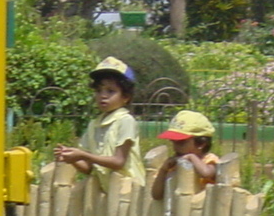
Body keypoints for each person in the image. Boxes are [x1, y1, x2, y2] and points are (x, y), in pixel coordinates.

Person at [54, 56, 142, 188]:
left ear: (126, 97)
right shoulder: (94, 124)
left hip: (129, 192)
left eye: (110, 91)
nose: (103, 95)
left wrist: (83, 155)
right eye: (98, 91)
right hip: (109, 192)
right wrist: (71, 158)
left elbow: (119, 162)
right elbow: (88, 168)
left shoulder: (125, 120)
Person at [149, 109, 219, 200]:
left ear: (201, 143)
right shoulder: (174, 166)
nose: (175, 147)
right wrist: (163, 170)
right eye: (173, 142)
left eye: (181, 143)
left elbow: (206, 173)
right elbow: (156, 195)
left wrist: (192, 157)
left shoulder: (209, 160)